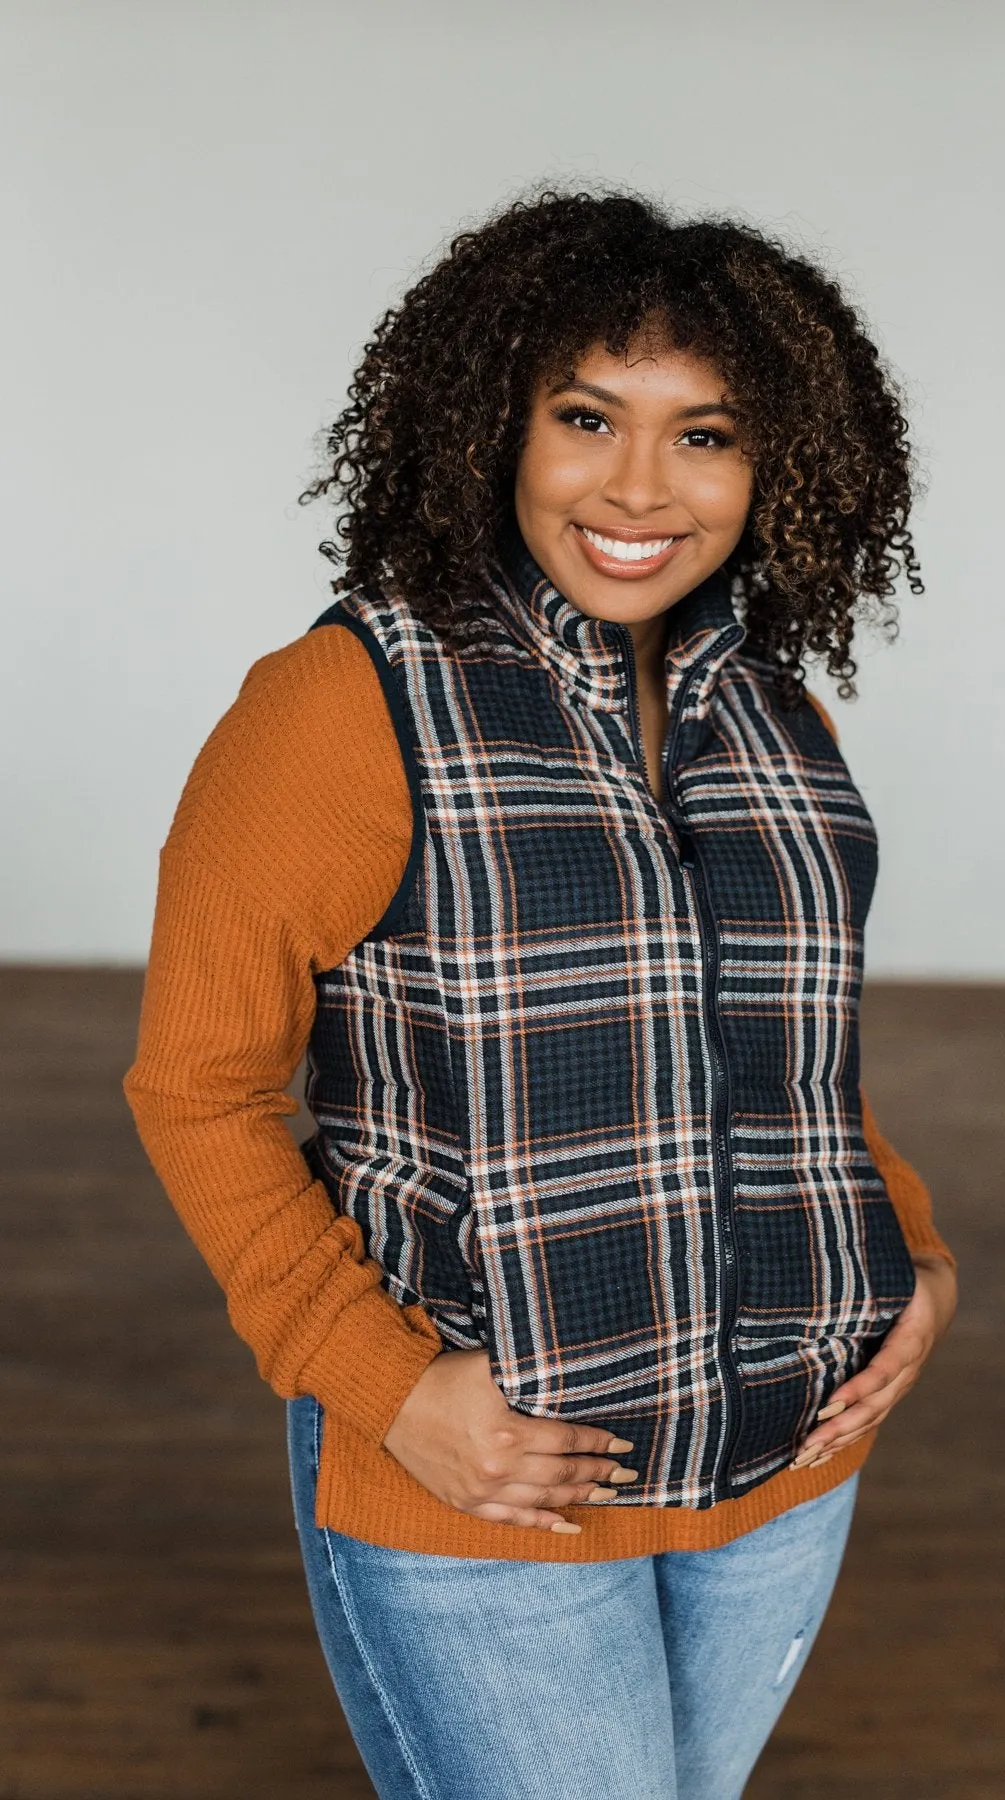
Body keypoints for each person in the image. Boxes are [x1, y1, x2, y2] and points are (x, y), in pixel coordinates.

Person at [125, 188, 957, 1800]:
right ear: (494, 420)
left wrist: (910, 1253)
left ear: (775, 461)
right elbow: (199, 1091)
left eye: (704, 433)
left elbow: (799, 1066)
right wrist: (383, 1390)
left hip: (792, 1460)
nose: (640, 487)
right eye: (589, 417)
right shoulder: (345, 707)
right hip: (482, 1481)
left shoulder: (788, 723)